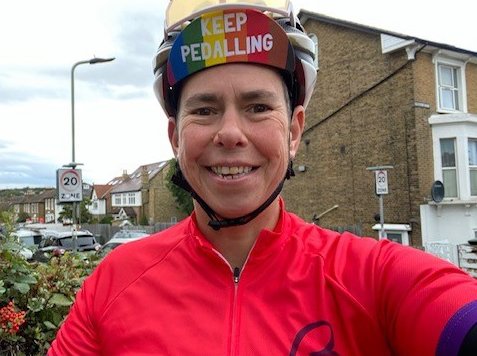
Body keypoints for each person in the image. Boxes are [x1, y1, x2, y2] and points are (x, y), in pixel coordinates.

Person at [49, 0, 477, 355]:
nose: (230, 133)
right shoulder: (113, 283)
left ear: (293, 131)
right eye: (204, 110)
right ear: (174, 137)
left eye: (257, 107)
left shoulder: (372, 278)